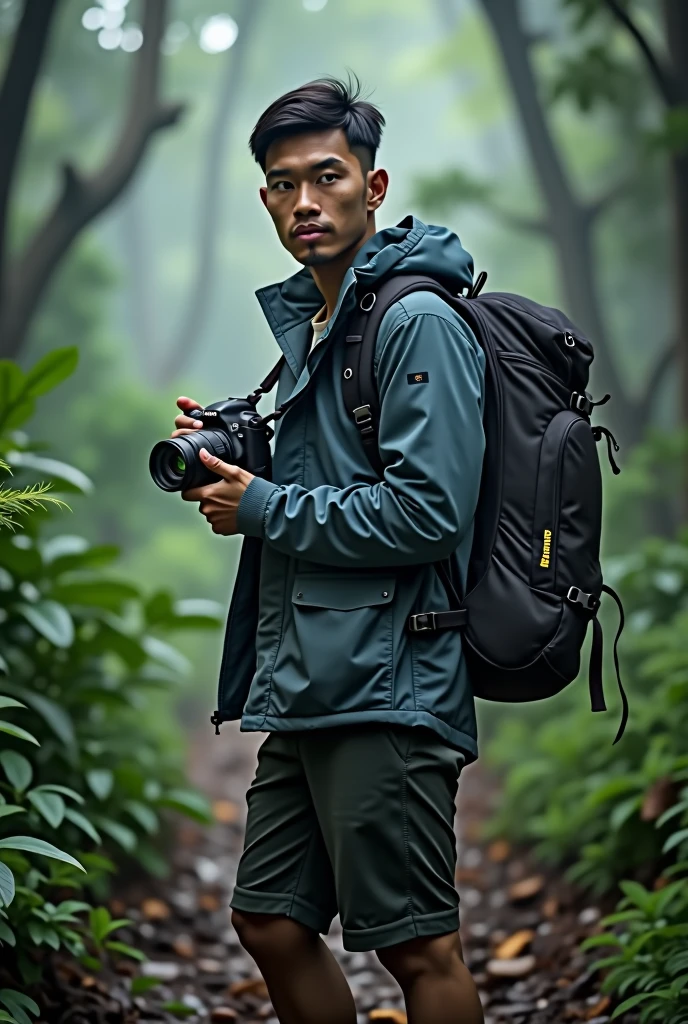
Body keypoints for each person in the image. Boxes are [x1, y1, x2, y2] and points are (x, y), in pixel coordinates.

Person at [172, 75, 486, 1024]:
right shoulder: (318, 327)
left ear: (374, 186)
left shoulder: (415, 321)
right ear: (264, 198)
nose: (304, 203)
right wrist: (247, 457)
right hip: (313, 681)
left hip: (389, 683)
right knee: (269, 919)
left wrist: (263, 505)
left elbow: (429, 512)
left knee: (418, 945)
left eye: (327, 176)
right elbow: (342, 476)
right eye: (281, 185)